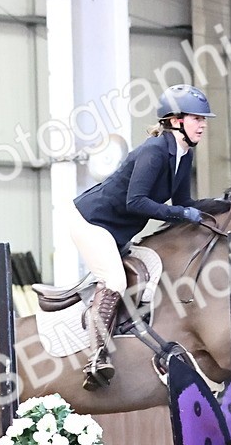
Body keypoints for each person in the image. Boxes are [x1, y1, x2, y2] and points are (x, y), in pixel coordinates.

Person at [70, 83, 219, 390]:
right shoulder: (154, 152)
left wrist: (221, 205)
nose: (203, 125)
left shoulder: (184, 154)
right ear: (175, 120)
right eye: (197, 119)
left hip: (117, 228)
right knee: (114, 281)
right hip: (92, 222)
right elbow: (135, 202)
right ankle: (96, 358)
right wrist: (181, 215)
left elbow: (183, 204)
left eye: (203, 119)